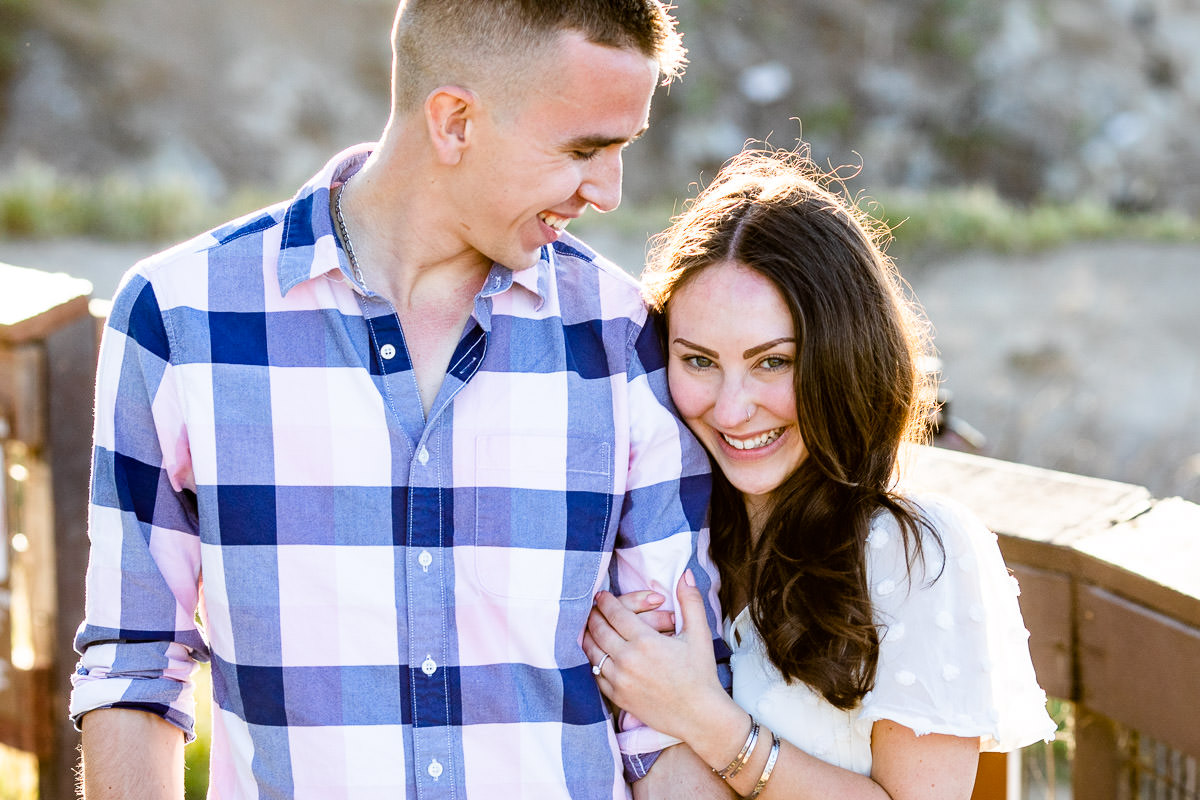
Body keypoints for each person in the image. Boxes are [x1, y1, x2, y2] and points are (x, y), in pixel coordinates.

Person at [70, 2, 727, 798]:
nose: (610, 191)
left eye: (622, 149)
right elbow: (135, 667)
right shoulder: (181, 320)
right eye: (585, 148)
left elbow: (670, 716)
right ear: (454, 122)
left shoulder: (622, 337)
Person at [584, 146, 1057, 799]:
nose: (731, 407)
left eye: (772, 362)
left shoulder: (914, 552)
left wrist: (704, 720)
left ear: (843, 358)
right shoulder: (656, 540)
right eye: (698, 361)